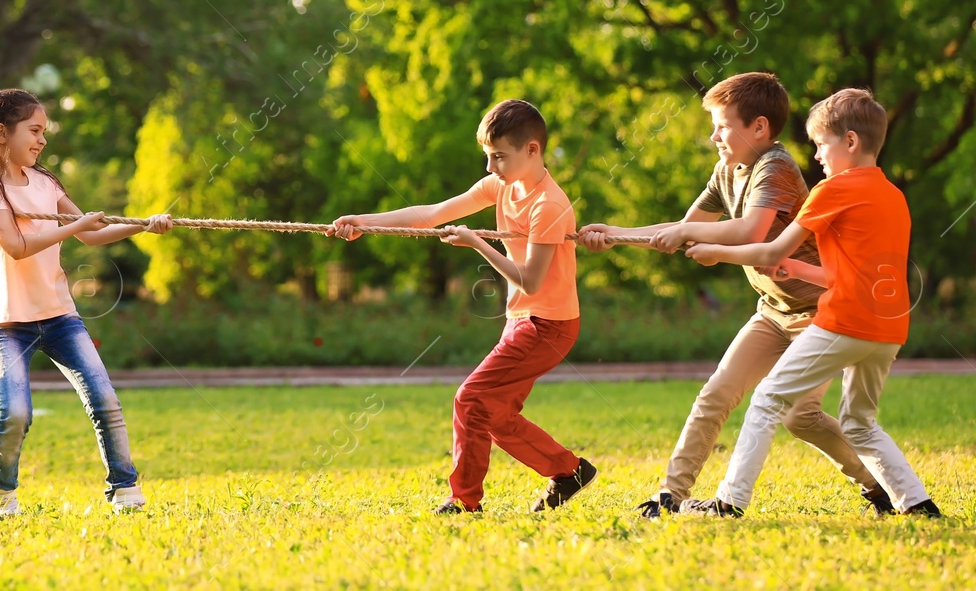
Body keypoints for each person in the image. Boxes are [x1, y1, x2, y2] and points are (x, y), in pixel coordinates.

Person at [577, 72, 892, 518]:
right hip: (772, 311)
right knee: (716, 394)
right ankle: (671, 495)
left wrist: (685, 232)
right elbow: (685, 229)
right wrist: (616, 235)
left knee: (800, 417)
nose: (714, 136)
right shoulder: (726, 170)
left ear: (759, 128)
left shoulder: (776, 167)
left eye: (722, 125)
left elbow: (750, 231)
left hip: (819, 314)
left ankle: (878, 486)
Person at [674, 88, 942, 518]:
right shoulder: (894, 196)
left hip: (844, 322)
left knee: (766, 401)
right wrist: (798, 272)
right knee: (860, 423)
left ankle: (729, 502)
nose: (816, 156)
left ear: (850, 142)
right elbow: (844, 274)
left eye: (821, 144)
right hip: (889, 330)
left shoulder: (831, 190)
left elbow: (767, 251)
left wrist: (715, 252)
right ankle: (917, 504)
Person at [330, 99, 592, 515]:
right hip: (521, 319)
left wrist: (477, 243)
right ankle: (569, 471)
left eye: (498, 157)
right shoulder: (501, 186)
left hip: (549, 326)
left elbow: (530, 279)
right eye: (488, 156)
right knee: (495, 415)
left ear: (532, 151)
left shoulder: (550, 206)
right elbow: (431, 214)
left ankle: (464, 501)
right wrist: (364, 221)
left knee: (470, 399)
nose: (490, 167)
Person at [0, 87, 172, 515]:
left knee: (104, 399)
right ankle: (1, 491)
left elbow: (92, 232)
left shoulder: (46, 183)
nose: (42, 140)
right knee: (16, 413)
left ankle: (124, 488)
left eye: (44, 131)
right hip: (9, 323)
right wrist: (74, 225)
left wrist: (143, 225)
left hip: (60, 315)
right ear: (0, 132)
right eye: (34, 130)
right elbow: (16, 245)